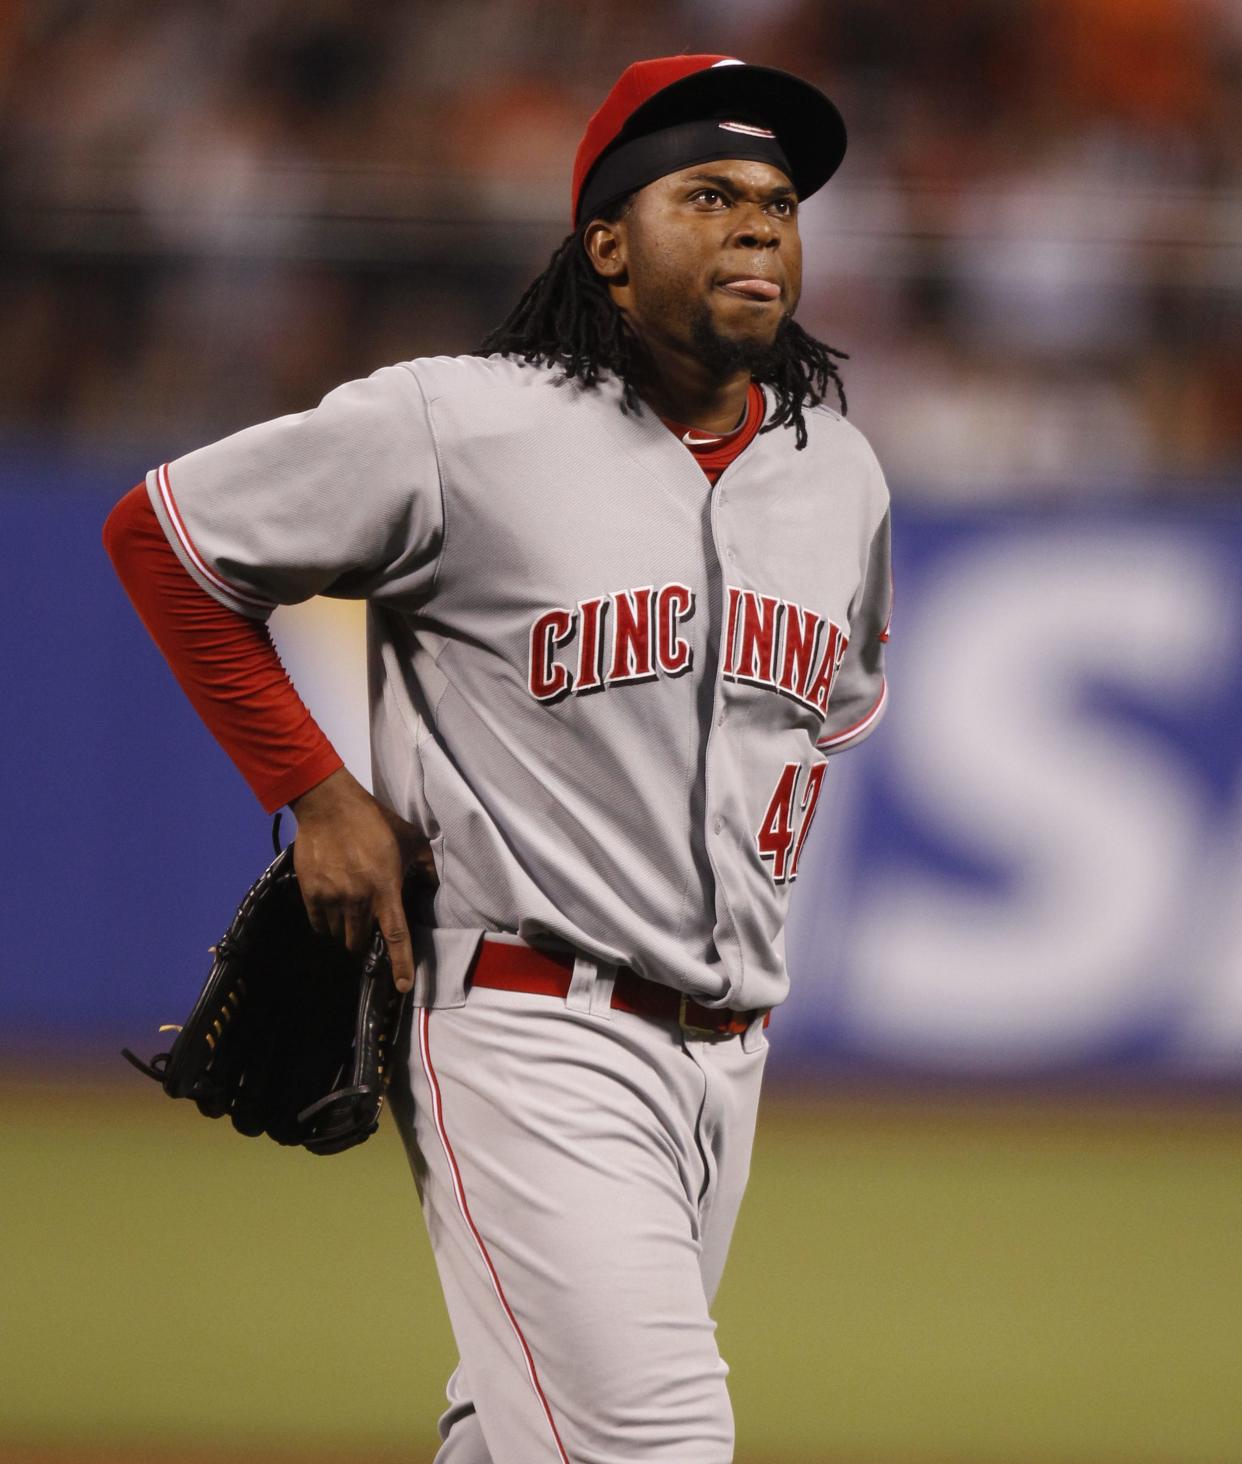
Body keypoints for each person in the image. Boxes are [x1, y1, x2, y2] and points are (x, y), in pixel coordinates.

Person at [105, 53, 890, 1464]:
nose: (757, 224)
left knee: (512, 1441)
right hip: (527, 1022)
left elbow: (825, 714)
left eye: (776, 201)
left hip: (728, 1060)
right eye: (706, 194)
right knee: (654, 1446)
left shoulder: (838, 472)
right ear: (607, 244)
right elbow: (164, 539)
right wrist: (320, 794)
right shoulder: (458, 424)